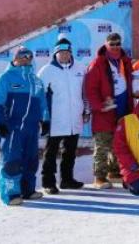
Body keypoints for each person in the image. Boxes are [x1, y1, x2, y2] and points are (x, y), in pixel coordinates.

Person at [0, 47, 48, 205]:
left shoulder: (36, 81)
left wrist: (45, 121)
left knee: (31, 160)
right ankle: (11, 194)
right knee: (12, 160)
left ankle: (28, 190)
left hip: (31, 128)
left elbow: (43, 104)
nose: (26, 59)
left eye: (29, 57)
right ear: (15, 58)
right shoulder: (5, 78)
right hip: (12, 128)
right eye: (22, 56)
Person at [37, 36, 88, 194]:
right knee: (51, 152)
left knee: (70, 151)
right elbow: (39, 96)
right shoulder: (47, 71)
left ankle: (67, 179)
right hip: (55, 120)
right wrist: (43, 118)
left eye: (67, 52)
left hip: (75, 118)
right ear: (56, 53)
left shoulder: (80, 68)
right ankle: (48, 182)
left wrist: (86, 111)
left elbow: (85, 92)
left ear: (71, 52)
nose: (65, 55)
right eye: (61, 52)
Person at [85, 33, 133, 189]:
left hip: (123, 108)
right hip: (105, 111)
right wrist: (99, 106)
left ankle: (114, 171)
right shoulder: (97, 63)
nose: (115, 47)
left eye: (118, 43)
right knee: (103, 145)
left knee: (118, 142)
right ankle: (99, 177)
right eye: (112, 44)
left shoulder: (125, 61)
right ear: (106, 45)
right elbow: (90, 89)